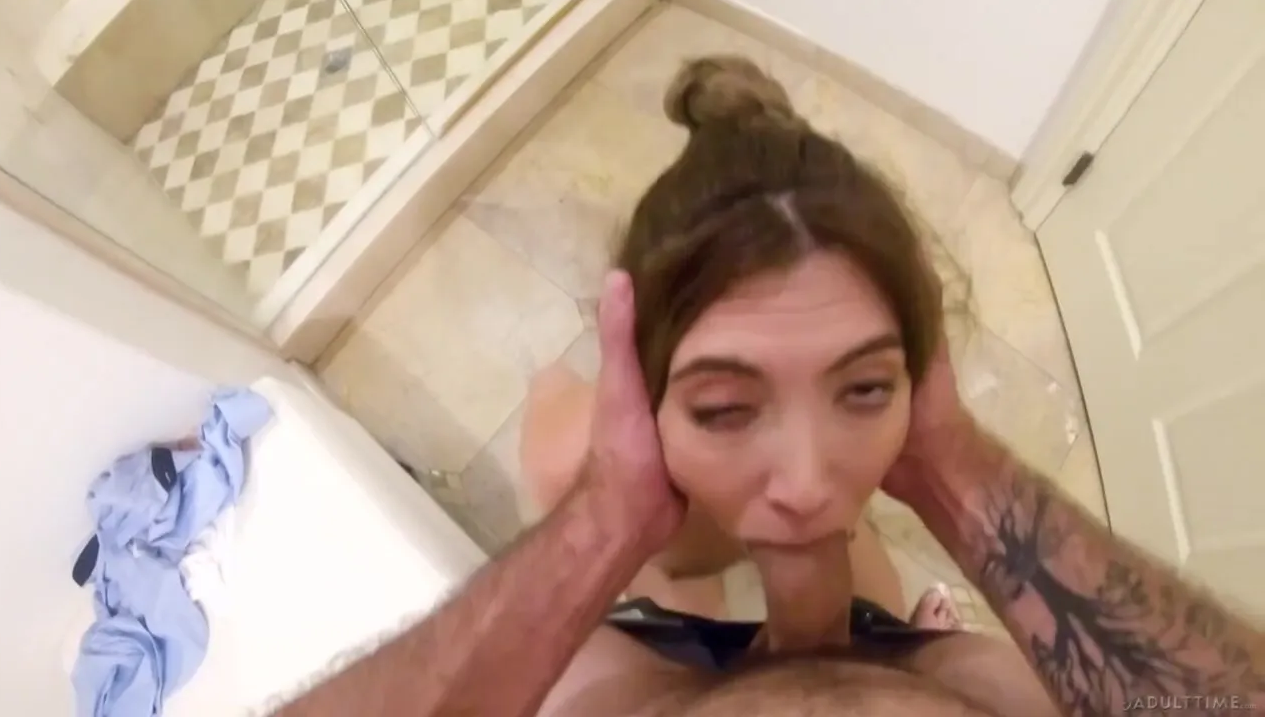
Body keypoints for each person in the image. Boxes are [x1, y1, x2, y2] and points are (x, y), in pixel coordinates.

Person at [277, 58, 1265, 716]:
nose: (806, 481)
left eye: (864, 390)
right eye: (723, 407)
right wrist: (609, 517)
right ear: (642, 392)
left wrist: (946, 457)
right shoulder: (569, 444)